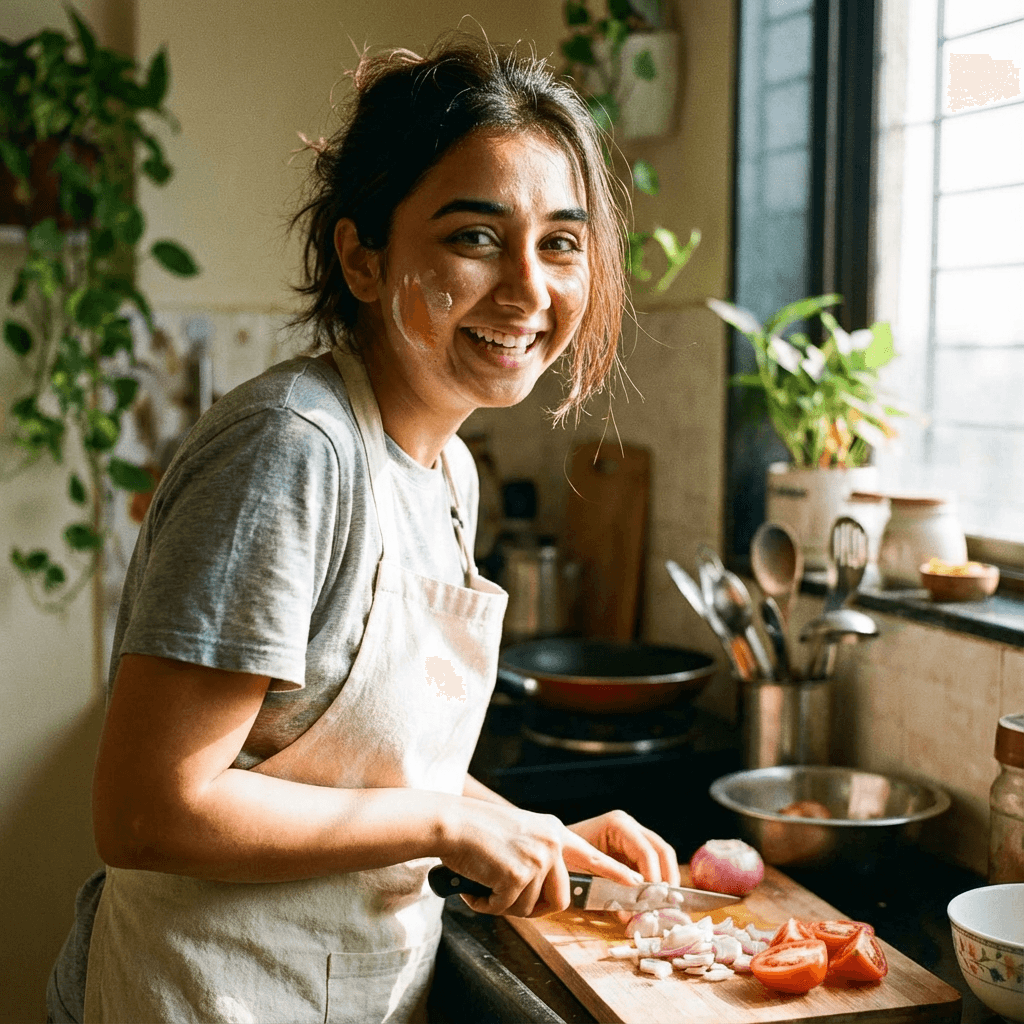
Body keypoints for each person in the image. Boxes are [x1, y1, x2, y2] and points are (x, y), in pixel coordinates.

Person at [46, 36, 682, 1024]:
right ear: (364, 255)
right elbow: (148, 810)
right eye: (474, 237)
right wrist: (443, 825)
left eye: (560, 241)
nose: (527, 287)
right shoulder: (291, 450)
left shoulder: (445, 469)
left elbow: (366, 767)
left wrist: (527, 829)